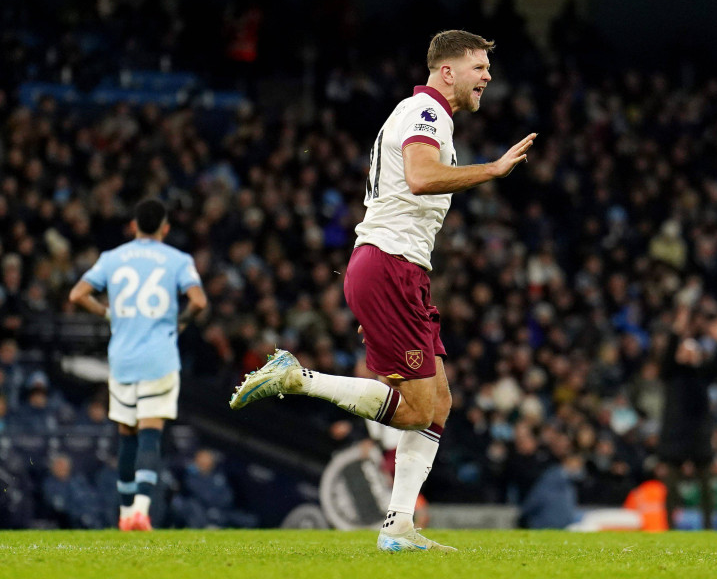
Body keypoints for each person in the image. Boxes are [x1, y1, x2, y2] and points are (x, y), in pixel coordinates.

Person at [230, 29, 536, 551]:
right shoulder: (427, 113)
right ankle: (296, 378)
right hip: (390, 266)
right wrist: (494, 169)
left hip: (395, 269)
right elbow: (419, 177)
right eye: (479, 67)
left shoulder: (422, 114)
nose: (487, 76)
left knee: (438, 401)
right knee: (416, 409)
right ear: (448, 71)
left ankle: (398, 527)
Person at [69, 198, 207, 531]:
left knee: (127, 435)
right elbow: (198, 301)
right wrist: (181, 322)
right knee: (150, 434)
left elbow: (76, 295)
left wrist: (106, 313)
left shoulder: (112, 258)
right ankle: (141, 512)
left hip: (123, 357)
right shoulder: (178, 259)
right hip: (158, 357)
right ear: (165, 228)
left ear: (133, 226)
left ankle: (124, 511)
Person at [658, 296, 717, 529]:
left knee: (705, 480)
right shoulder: (673, 371)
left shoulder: (702, 373)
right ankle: (670, 528)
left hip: (698, 427)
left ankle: (708, 528)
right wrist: (677, 332)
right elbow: (666, 361)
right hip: (676, 428)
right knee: (672, 483)